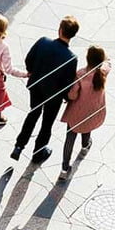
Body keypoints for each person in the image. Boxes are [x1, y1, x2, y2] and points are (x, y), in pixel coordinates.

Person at [11, 17, 79, 164]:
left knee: (33, 113)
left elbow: (29, 59)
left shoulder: (43, 41)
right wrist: (65, 97)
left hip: (36, 86)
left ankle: (19, 146)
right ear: (73, 34)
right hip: (53, 97)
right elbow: (68, 83)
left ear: (59, 29)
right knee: (47, 123)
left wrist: (32, 71)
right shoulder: (71, 58)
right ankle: (38, 152)